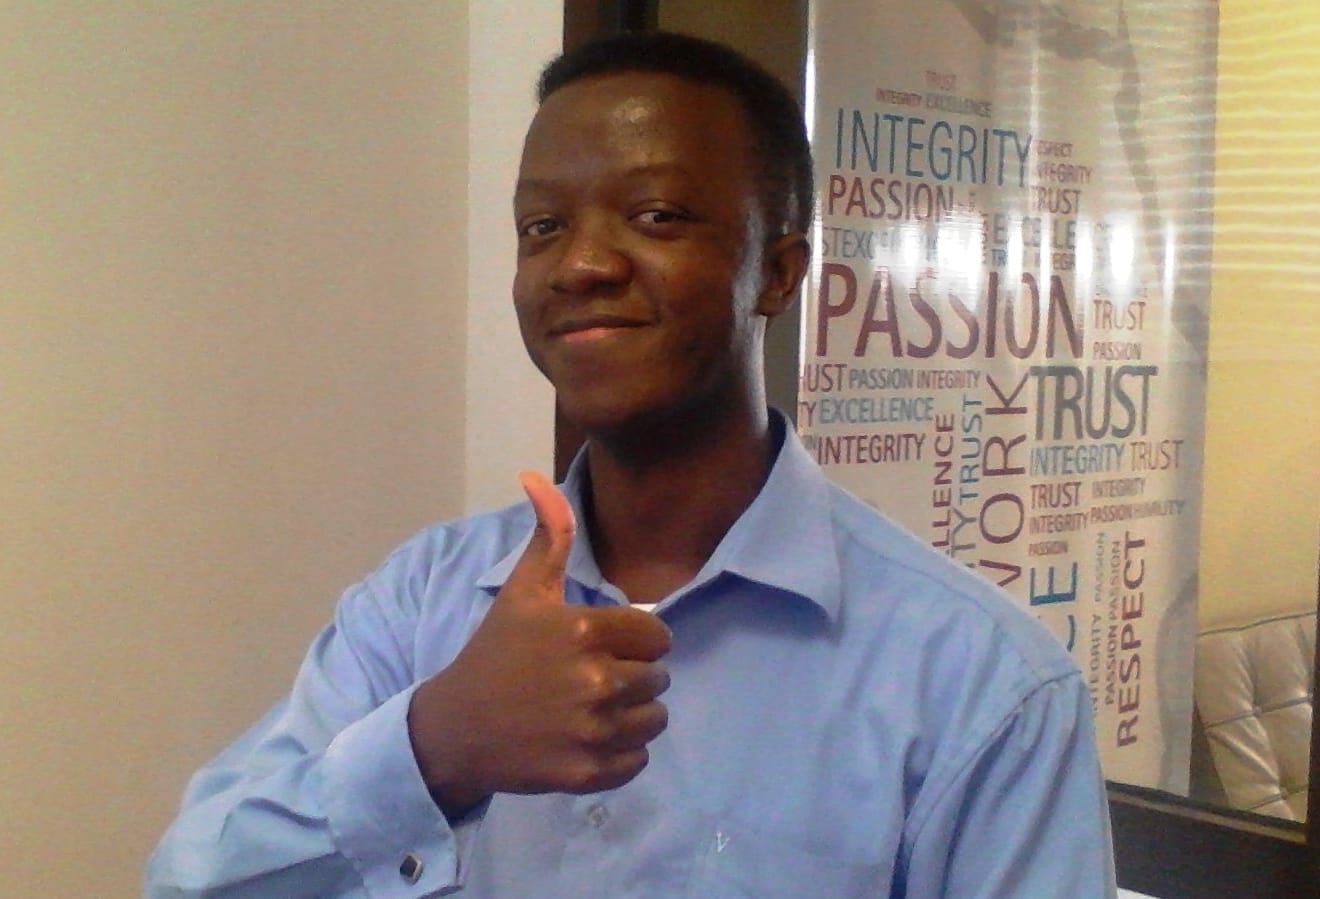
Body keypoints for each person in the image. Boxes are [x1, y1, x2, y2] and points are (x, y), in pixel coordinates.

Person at [146, 30, 1116, 898]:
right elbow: (190, 880)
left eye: (654, 215)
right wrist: (438, 745)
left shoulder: (982, 680)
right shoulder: (422, 605)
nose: (581, 265)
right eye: (543, 226)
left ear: (779, 270)